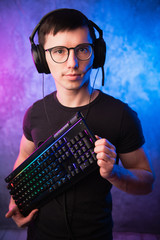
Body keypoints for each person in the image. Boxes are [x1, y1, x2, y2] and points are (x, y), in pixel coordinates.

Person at [5, 8, 155, 240]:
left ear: (97, 54)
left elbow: (146, 183)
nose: (72, 63)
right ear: (41, 58)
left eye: (82, 49)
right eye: (59, 51)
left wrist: (114, 173)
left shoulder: (121, 115)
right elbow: (23, 160)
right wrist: (17, 200)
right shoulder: (34, 113)